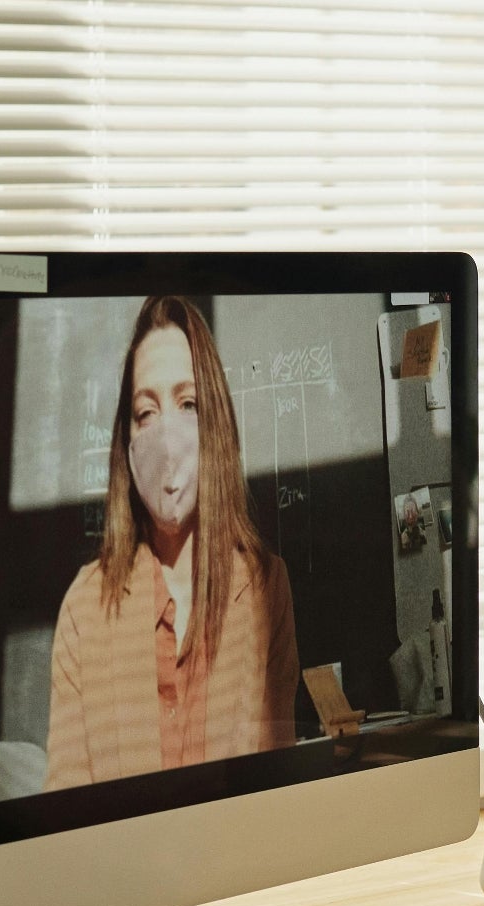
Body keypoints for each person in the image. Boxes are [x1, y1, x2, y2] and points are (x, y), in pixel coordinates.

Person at [43, 295, 298, 790]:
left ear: (216, 424)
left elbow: (276, 794)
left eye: (188, 404)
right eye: (145, 412)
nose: (166, 434)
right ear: (127, 440)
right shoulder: (84, 606)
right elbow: (65, 812)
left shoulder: (267, 589)